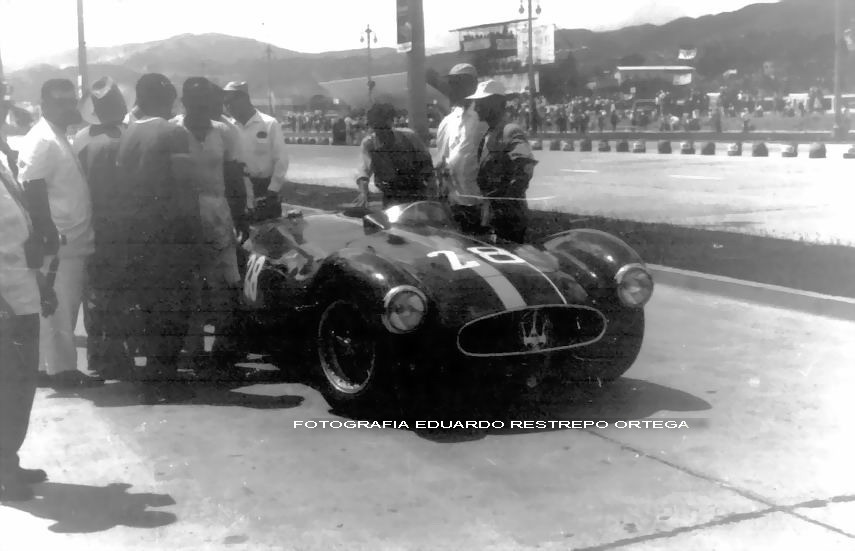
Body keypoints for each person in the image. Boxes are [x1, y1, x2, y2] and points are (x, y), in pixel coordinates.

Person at [17, 79, 102, 388]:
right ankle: (62, 371)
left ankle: (47, 368)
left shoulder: (57, 137)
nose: (69, 107)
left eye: (72, 101)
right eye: (61, 102)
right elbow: (31, 186)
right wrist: (47, 231)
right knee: (59, 309)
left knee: (62, 308)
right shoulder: (42, 139)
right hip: (59, 242)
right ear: (45, 105)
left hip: (72, 240)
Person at [117, 73, 202, 380]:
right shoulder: (172, 133)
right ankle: (164, 372)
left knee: (150, 303)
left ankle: (154, 370)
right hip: (170, 235)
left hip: (137, 234)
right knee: (175, 305)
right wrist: (196, 235)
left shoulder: (128, 134)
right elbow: (185, 187)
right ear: (164, 99)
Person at [172, 78, 244, 380]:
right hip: (183, 217)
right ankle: (193, 351)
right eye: (195, 104)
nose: (202, 111)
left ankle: (221, 354)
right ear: (185, 103)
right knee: (191, 286)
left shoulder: (224, 131)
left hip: (218, 215)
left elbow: (234, 177)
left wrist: (242, 219)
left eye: (207, 105)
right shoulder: (172, 130)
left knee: (224, 287)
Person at [1, 146, 56, 501]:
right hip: (3, 300)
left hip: (20, 289)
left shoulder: (1, 158)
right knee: (7, 386)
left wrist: (39, 283)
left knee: (21, 385)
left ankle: (9, 460)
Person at [73, 76, 133, 380]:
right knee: (120, 293)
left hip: (90, 222)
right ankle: (117, 355)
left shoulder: (80, 139)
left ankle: (97, 355)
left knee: (94, 293)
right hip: (121, 226)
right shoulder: (126, 138)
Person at [468, 79, 537, 243]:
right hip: (491, 216)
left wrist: (506, 201)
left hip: (509, 220)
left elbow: (525, 167)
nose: (476, 107)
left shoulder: (510, 131)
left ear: (497, 104)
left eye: (481, 102)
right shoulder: (489, 134)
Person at [222, 81, 289, 221]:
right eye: (225, 102)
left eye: (231, 101)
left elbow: (281, 160)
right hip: (239, 189)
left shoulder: (269, 124)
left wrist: (273, 189)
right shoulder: (228, 128)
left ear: (244, 99)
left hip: (265, 189)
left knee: (269, 234)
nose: (228, 106)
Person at [434, 63, 487, 233]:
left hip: (481, 205)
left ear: (473, 84)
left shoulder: (484, 118)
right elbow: (441, 159)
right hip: (454, 203)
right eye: (452, 83)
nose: (453, 88)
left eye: (458, 83)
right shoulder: (447, 122)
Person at [355, 102, 435, 209]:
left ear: (391, 122)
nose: (380, 132)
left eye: (383, 127)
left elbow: (427, 164)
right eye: (375, 128)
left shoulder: (409, 137)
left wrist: (431, 187)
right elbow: (363, 171)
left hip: (416, 192)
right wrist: (363, 193)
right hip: (390, 194)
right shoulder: (369, 144)